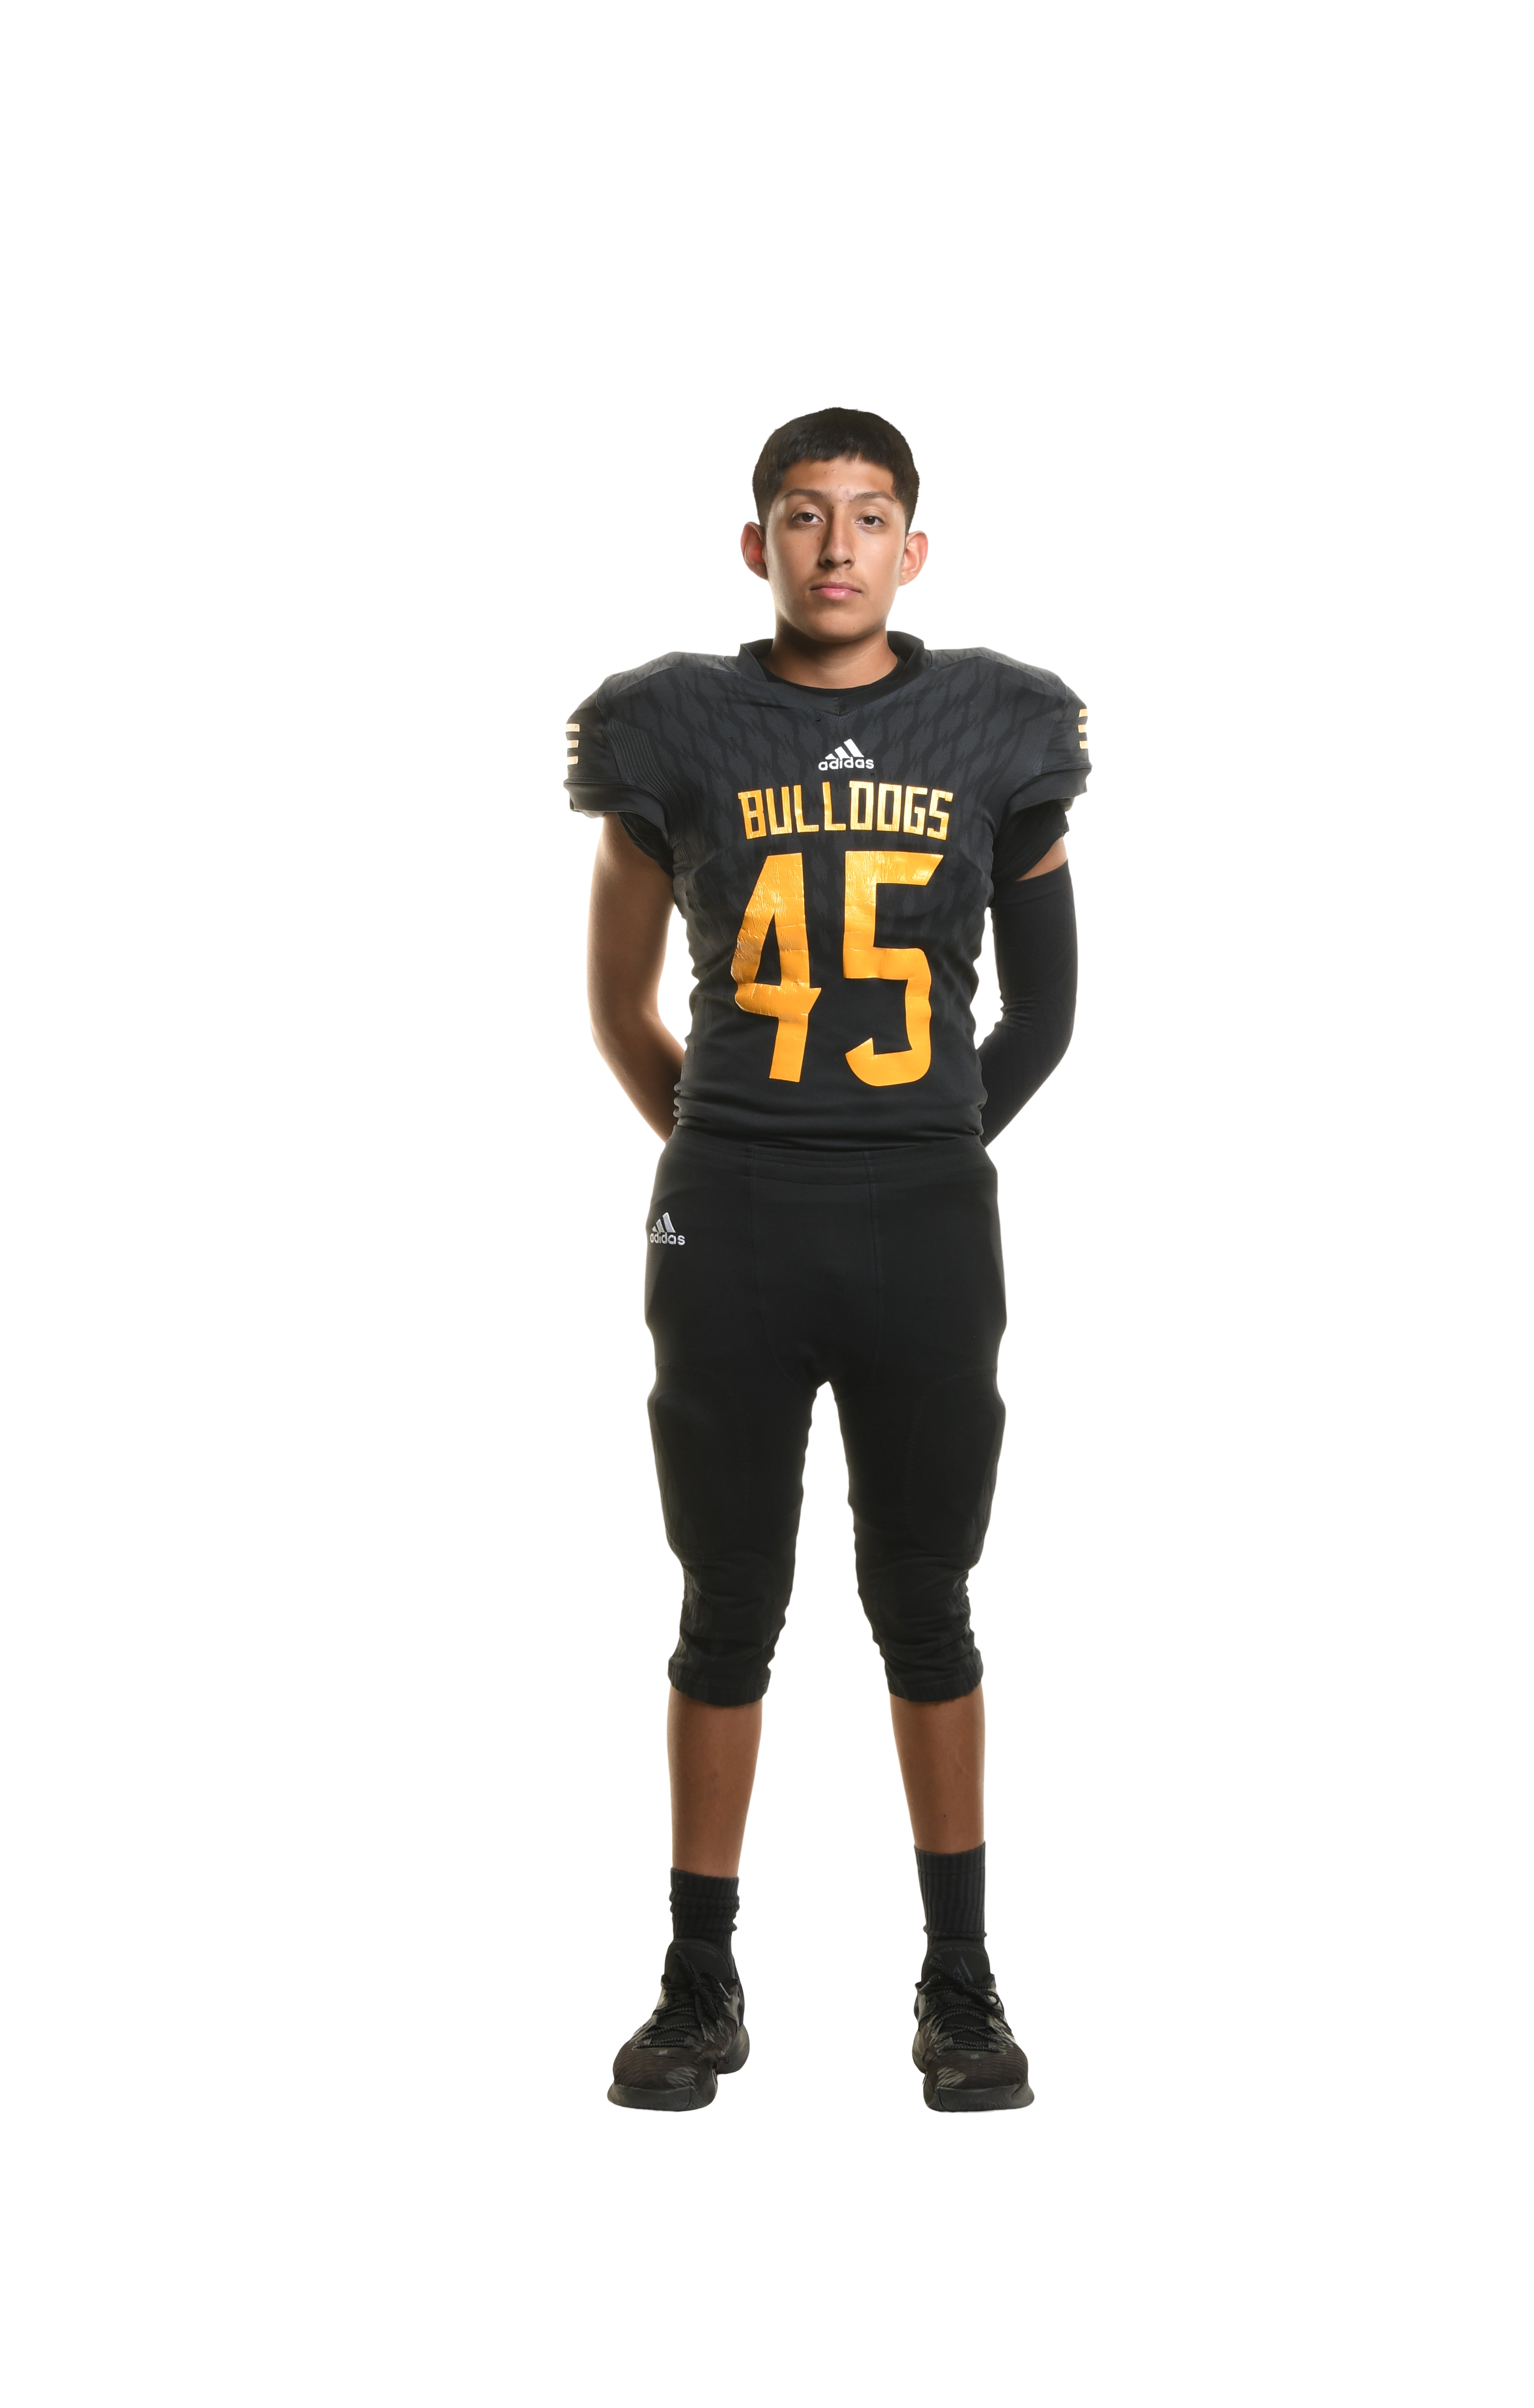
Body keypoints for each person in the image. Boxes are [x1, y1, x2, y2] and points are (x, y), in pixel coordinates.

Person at [570, 407, 1088, 2112]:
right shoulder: (675, 726)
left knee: (927, 1600)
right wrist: (734, 1147)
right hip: (732, 1214)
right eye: (804, 515)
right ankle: (697, 1978)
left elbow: (1048, 1011)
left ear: (914, 548)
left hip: (924, 1217)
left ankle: (960, 1981)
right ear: (758, 545)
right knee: (726, 1602)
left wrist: (916, 1144)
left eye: (870, 516)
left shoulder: (997, 724)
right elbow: (620, 1004)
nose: (838, 544)